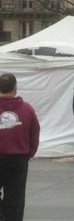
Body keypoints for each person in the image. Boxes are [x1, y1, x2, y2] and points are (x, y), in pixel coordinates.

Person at [0, 73, 40, 221]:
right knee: (15, 198)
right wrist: (29, 153)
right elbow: (34, 133)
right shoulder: (27, 109)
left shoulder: (27, 108)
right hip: (18, 159)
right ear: (15, 88)